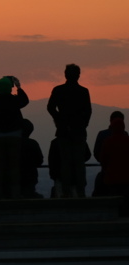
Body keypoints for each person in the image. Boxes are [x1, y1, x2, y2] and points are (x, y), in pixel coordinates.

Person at [47, 63, 92, 198]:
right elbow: (88, 111)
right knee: (79, 163)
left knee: (65, 162)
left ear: (65, 75)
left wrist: (60, 120)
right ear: (78, 75)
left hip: (63, 131)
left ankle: (66, 191)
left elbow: (50, 107)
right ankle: (80, 192)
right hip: (78, 131)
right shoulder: (83, 91)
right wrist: (82, 125)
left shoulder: (58, 90)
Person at [0, 75, 29, 199]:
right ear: (10, 89)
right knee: (14, 166)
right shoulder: (14, 101)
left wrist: (0, 87)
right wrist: (18, 87)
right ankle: (15, 193)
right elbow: (25, 100)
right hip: (14, 135)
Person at [98, 115, 129, 215]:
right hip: (126, 177)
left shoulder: (108, 141)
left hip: (111, 177)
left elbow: (103, 159)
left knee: (114, 198)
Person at [93, 111, 124, 197]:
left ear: (110, 121)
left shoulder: (103, 135)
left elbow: (97, 153)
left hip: (108, 175)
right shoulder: (126, 137)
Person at [20, 119, 44, 199]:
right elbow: (39, 160)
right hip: (30, 175)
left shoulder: (13, 144)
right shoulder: (33, 143)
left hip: (15, 177)